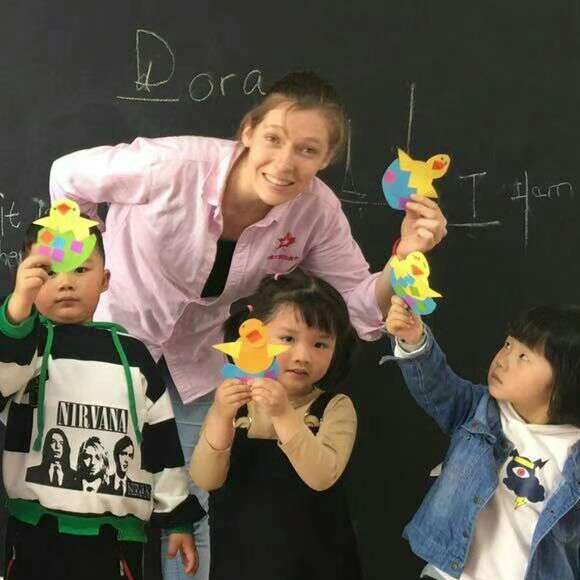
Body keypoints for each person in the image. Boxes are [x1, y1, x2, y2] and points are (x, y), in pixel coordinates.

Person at [49, 70, 448, 579]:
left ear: (326, 158)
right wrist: (82, 274)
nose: (284, 163)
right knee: (96, 490)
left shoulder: (316, 212)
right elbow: (68, 175)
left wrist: (406, 255)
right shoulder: (170, 166)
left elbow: (356, 307)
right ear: (248, 132)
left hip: (199, 363)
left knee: (192, 508)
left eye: (307, 150)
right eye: (273, 139)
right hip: (114, 345)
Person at [0, 217, 204, 579]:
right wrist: (17, 311)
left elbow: (161, 440)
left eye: (80, 269)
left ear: (105, 280)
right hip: (35, 531)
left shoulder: (134, 356)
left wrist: (177, 518)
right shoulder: (25, 349)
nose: (65, 282)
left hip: (116, 539)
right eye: (50, 271)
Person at [385, 295, 580, 580]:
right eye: (508, 344)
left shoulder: (572, 453)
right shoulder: (480, 409)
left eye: (523, 356)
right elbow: (437, 386)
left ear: (566, 379)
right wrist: (413, 340)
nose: (503, 360)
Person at [191, 270, 362, 580]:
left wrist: (283, 414)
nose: (302, 356)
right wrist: (220, 416)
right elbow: (206, 478)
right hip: (240, 564)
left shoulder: (335, 408)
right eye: (288, 339)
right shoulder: (237, 405)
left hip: (318, 566)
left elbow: (322, 476)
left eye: (320, 344)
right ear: (254, 336)